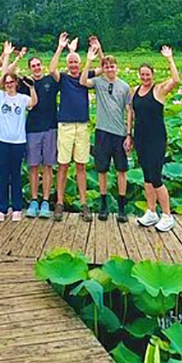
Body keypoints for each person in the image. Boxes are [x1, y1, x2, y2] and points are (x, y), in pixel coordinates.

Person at [50, 32, 100, 222]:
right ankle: (59, 203)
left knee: (81, 166)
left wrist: (98, 49)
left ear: (80, 63)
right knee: (63, 165)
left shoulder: (86, 75)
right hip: (65, 126)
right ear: (67, 64)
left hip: (82, 126)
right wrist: (60, 47)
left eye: (75, 62)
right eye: (70, 62)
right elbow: (52, 69)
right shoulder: (63, 78)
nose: (73, 65)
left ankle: (84, 204)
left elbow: (104, 67)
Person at [133, 46, 180, 233]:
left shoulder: (159, 90)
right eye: (142, 74)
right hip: (140, 138)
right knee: (146, 177)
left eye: (148, 74)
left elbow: (176, 80)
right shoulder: (135, 90)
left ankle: (167, 215)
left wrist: (170, 59)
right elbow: (131, 113)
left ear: (153, 75)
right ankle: (151, 211)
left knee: (156, 177)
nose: (145, 77)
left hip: (156, 139)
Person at [81, 47, 131, 222]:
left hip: (119, 133)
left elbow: (129, 110)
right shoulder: (98, 82)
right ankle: (104, 206)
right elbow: (82, 81)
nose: (110, 69)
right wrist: (89, 60)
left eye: (112, 66)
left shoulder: (125, 87)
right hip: (102, 132)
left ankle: (121, 208)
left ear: (117, 67)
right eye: (106, 66)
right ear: (103, 68)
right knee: (102, 170)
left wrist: (129, 134)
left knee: (121, 171)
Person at [0, 42, 38, 221]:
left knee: (16, 175)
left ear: (16, 84)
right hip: (1, 140)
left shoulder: (23, 98)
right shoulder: (0, 96)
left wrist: (32, 87)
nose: (9, 84)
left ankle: (17, 207)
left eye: (12, 82)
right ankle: (2, 208)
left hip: (18, 141)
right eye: (7, 82)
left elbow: (34, 103)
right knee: (3, 175)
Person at [20, 55, 59, 219]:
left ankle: (45, 201)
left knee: (48, 166)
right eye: (33, 66)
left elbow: (56, 71)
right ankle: (34, 200)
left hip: (50, 128)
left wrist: (62, 48)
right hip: (32, 129)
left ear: (42, 66)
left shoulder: (51, 80)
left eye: (38, 65)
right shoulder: (25, 84)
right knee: (33, 166)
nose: (36, 68)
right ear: (30, 69)